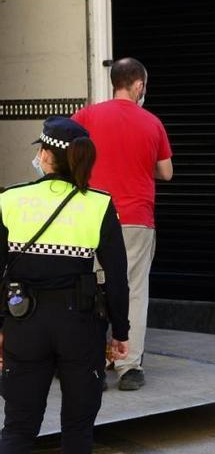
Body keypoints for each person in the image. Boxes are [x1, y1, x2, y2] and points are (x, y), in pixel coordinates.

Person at [0, 117, 130, 453]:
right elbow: (117, 276)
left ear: (45, 155)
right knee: (78, 429)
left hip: (24, 322)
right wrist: (121, 332)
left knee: (18, 427)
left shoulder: (10, 199)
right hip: (81, 324)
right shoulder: (99, 203)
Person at [72, 57, 172, 391]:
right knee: (133, 290)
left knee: (93, 287)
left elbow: (61, 153)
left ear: (114, 82)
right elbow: (166, 172)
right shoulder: (152, 122)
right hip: (136, 219)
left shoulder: (86, 116)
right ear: (139, 85)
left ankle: (93, 364)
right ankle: (129, 367)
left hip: (92, 217)